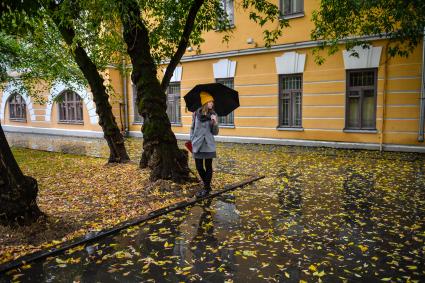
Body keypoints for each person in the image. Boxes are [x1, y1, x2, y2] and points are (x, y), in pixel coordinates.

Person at [190, 91, 219, 198]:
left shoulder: (214, 115)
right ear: (205, 102)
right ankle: (207, 186)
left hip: (208, 144)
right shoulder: (195, 114)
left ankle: (206, 188)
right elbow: (192, 128)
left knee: (208, 166)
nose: (212, 103)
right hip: (197, 144)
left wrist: (214, 123)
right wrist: (192, 139)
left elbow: (215, 132)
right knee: (198, 167)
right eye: (210, 101)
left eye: (212, 102)